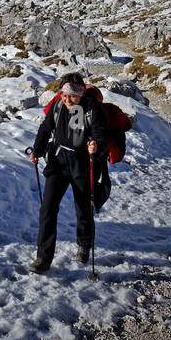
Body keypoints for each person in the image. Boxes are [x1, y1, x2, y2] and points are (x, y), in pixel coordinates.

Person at [29, 72, 108, 273]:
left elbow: (100, 134)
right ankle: (43, 258)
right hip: (59, 160)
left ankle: (84, 245)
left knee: (83, 207)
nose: (67, 100)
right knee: (47, 209)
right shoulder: (57, 107)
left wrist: (95, 145)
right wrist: (37, 150)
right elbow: (45, 129)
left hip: (82, 162)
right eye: (64, 95)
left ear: (80, 94)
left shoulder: (91, 109)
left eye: (71, 96)